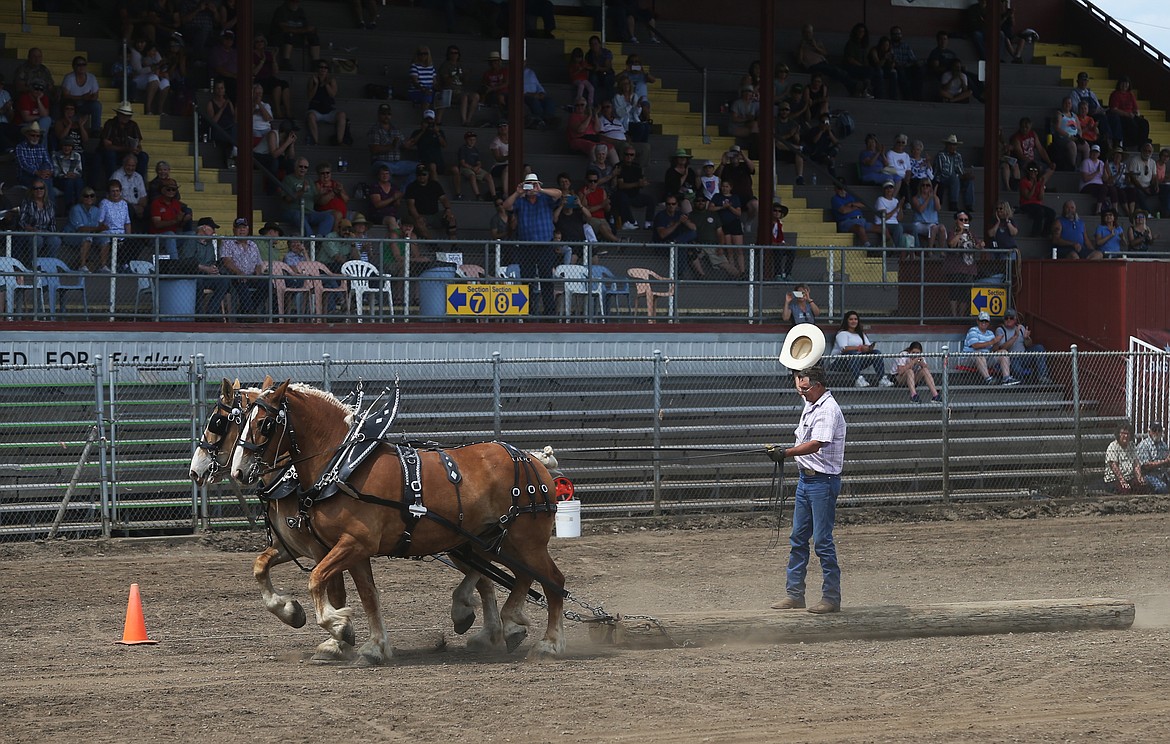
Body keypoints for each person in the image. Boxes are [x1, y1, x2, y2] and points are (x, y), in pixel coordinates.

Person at [766, 364, 846, 615]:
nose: (801, 392)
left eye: (805, 388)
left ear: (819, 386)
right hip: (807, 481)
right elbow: (799, 380)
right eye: (799, 387)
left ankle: (831, 598)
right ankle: (795, 594)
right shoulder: (811, 402)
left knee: (822, 541)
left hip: (822, 481)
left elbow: (817, 444)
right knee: (798, 538)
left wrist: (786, 453)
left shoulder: (828, 410)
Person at [502, 173, 563, 317]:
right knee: (527, 280)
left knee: (546, 280)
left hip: (544, 245)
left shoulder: (546, 198)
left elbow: (559, 194)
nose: (531, 187)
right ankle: (526, 312)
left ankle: (549, 314)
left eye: (533, 183)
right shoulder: (521, 201)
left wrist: (540, 190)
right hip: (526, 247)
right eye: (528, 184)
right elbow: (506, 206)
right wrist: (517, 193)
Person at [220, 217, 266, 318]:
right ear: (234, 230)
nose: (242, 230)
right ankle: (248, 314)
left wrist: (258, 274)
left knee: (267, 284)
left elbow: (259, 263)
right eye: (239, 228)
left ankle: (248, 310)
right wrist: (239, 272)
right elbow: (227, 262)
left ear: (248, 229)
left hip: (252, 275)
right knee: (241, 283)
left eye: (244, 227)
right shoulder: (228, 243)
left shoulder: (253, 244)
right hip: (235, 276)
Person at [832, 310, 892, 387]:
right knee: (853, 353)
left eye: (855, 319)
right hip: (839, 363)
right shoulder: (842, 334)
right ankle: (858, 379)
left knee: (876, 353)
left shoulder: (861, 334)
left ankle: (882, 379)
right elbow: (844, 349)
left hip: (857, 362)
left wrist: (869, 348)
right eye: (851, 319)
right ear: (846, 321)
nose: (853, 321)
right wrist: (860, 348)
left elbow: (867, 346)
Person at [367, 104, 418, 187]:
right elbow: (374, 149)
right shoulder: (374, 130)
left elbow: (402, 146)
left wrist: (406, 146)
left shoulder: (396, 130)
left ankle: (402, 191)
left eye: (389, 114)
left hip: (396, 163)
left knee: (419, 167)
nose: (386, 116)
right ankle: (392, 193)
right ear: (379, 115)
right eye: (384, 114)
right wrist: (391, 146)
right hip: (380, 162)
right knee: (385, 169)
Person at [994, 308, 1050, 383]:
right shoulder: (1000, 330)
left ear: (1015, 319)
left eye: (1011, 318)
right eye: (1006, 318)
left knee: (1039, 348)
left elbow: (1029, 345)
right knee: (1019, 373)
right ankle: (1022, 385)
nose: (1008, 320)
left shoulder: (1021, 328)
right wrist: (1015, 336)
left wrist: (1026, 338)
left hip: (1024, 356)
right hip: (1012, 358)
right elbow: (1002, 348)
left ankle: (1043, 377)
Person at [281, 157, 334, 236]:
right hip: (293, 212)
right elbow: (287, 199)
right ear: (295, 167)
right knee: (298, 215)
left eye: (305, 167)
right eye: (300, 166)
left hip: (309, 213)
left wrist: (320, 194)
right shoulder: (288, 179)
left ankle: (320, 239)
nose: (303, 169)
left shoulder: (309, 181)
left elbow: (315, 200)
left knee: (329, 216)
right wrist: (301, 191)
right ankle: (311, 240)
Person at [962, 310, 1017, 385]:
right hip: (969, 358)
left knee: (1003, 352)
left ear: (989, 323)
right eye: (982, 321)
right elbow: (975, 345)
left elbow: (994, 350)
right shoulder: (973, 330)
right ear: (978, 321)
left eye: (986, 321)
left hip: (986, 358)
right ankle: (988, 379)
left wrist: (997, 343)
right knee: (979, 353)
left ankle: (1006, 378)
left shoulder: (990, 333)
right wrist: (992, 342)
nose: (984, 323)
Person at [404, 164, 456, 241]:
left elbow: (443, 198)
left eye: (424, 174)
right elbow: (411, 205)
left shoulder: (435, 185)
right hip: (421, 215)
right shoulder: (411, 187)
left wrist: (448, 209)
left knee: (451, 217)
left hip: (435, 215)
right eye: (419, 174)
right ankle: (433, 244)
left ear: (428, 174)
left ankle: (454, 244)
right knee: (418, 221)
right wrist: (417, 216)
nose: (421, 176)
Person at [944, 210, 982, 317]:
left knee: (965, 295)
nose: (964, 222)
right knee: (954, 293)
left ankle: (961, 316)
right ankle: (954, 316)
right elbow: (951, 244)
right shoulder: (952, 232)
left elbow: (978, 245)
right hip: (954, 268)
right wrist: (961, 232)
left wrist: (981, 245)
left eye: (966, 220)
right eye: (961, 220)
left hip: (968, 268)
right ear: (957, 221)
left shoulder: (971, 234)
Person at [100, 101, 149, 180]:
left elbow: (139, 144)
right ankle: (112, 182)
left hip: (129, 153)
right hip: (115, 153)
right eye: (124, 115)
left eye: (128, 115)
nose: (126, 117)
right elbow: (107, 145)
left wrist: (137, 149)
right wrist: (126, 148)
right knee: (110, 154)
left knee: (143, 156)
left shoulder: (133, 125)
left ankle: (139, 181)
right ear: (118, 114)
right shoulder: (110, 124)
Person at [305, 60, 349, 146]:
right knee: (310, 116)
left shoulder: (331, 80)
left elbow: (332, 94)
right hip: (315, 110)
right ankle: (316, 141)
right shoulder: (313, 79)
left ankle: (339, 141)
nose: (323, 69)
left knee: (342, 115)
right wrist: (317, 84)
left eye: (325, 68)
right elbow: (310, 96)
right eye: (321, 67)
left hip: (329, 110)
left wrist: (326, 84)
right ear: (318, 69)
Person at [612, 145, 655, 232]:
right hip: (622, 196)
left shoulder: (637, 167)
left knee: (651, 199)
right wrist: (637, 184)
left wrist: (643, 183)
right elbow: (621, 185)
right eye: (627, 154)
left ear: (634, 156)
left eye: (631, 155)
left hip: (635, 195)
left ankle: (648, 223)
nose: (629, 156)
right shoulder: (619, 166)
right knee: (622, 197)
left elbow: (641, 181)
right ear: (623, 155)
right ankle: (630, 222)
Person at [270, 0, 321, 72]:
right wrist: (303, 30)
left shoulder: (300, 11)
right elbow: (284, 28)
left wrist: (310, 30)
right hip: (280, 37)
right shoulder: (281, 10)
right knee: (288, 35)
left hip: (297, 36)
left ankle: (316, 64)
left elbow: (305, 26)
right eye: (293, 1)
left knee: (313, 37)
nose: (295, 3)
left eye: (297, 2)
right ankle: (285, 62)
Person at [68, 187, 109, 272]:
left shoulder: (97, 210)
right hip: (72, 235)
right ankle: (82, 266)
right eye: (86, 196)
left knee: (105, 237)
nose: (89, 198)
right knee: (87, 236)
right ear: (82, 198)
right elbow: (80, 228)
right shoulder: (76, 209)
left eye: (92, 196)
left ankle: (103, 266)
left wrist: (103, 228)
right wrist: (98, 228)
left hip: (91, 235)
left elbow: (98, 228)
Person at [59, 56, 101, 137]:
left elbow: (96, 95)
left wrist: (90, 98)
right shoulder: (69, 78)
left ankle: (95, 131)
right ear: (73, 66)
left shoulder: (92, 78)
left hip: (85, 104)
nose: (82, 67)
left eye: (84, 64)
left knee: (97, 105)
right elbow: (65, 95)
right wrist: (81, 97)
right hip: (71, 104)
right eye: (79, 65)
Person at [438, 45, 479, 127]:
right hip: (450, 92)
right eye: (452, 53)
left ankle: (468, 120)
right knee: (464, 97)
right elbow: (446, 81)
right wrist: (455, 74)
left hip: (460, 90)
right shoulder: (445, 65)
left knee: (476, 96)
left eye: (456, 53)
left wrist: (466, 75)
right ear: (448, 54)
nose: (454, 55)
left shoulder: (460, 65)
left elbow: (464, 82)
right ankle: (463, 121)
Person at [1103, 424, 1149, 494]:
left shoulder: (1132, 445)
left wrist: (1139, 477)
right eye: (1123, 433)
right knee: (1125, 490)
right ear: (1118, 434)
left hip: (1130, 477)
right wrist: (1122, 481)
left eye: (1128, 434)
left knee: (1143, 486)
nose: (1126, 436)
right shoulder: (1113, 446)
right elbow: (1114, 466)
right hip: (1114, 479)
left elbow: (1136, 463)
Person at [934, 134, 974, 212]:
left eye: (954, 145)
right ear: (947, 145)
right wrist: (959, 176)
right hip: (942, 179)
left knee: (969, 180)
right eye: (951, 144)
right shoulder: (941, 155)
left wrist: (965, 175)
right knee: (955, 177)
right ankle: (953, 203)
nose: (953, 147)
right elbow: (943, 171)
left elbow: (960, 169)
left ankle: (969, 205)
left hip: (955, 179)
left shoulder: (958, 155)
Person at [406, 109, 448, 181]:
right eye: (427, 120)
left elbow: (444, 145)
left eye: (431, 120)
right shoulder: (417, 132)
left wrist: (437, 133)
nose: (429, 122)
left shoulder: (439, 132)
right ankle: (436, 189)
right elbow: (409, 144)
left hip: (438, 161)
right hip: (424, 162)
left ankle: (458, 192)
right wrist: (422, 131)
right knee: (432, 166)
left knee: (455, 169)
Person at [454, 130, 496, 202]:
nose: (472, 141)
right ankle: (478, 195)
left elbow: (479, 162)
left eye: (474, 140)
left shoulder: (475, 149)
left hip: (475, 168)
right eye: (470, 140)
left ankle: (494, 196)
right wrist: (472, 168)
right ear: (466, 140)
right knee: (472, 176)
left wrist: (477, 167)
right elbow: (462, 163)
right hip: (466, 168)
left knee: (488, 176)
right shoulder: (463, 149)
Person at [1108, 76, 1149, 148]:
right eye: (1123, 84)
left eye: (1126, 84)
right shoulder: (1115, 94)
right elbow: (1114, 109)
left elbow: (1135, 108)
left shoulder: (1130, 94)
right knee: (1131, 124)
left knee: (1144, 123)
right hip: (1121, 116)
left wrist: (1136, 113)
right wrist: (1127, 114)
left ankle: (1142, 143)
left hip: (1131, 115)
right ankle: (1132, 143)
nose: (1124, 86)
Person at [1018, 163, 1055, 238]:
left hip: (1037, 204)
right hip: (1026, 204)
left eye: (1036, 171)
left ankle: (1045, 233)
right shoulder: (1023, 182)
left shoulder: (1039, 183)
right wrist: (1034, 185)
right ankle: (1035, 233)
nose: (1033, 172)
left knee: (1052, 213)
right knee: (1039, 212)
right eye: (1031, 170)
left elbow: (1040, 198)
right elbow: (1028, 196)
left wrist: (1042, 185)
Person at [888, 26, 923, 101]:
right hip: (896, 67)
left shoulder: (905, 46)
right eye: (895, 34)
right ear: (891, 35)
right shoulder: (889, 46)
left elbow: (913, 59)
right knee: (900, 71)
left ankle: (918, 97)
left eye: (899, 33)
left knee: (919, 69)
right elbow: (892, 60)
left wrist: (914, 63)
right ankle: (907, 97)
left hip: (907, 67)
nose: (897, 35)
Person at [908, 179, 946, 250]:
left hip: (932, 223)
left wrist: (934, 196)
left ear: (930, 187)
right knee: (933, 228)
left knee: (942, 228)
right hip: (919, 224)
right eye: (923, 185)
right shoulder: (916, 198)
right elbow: (920, 210)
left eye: (927, 185)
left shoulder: (935, 198)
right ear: (920, 187)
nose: (925, 187)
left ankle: (942, 251)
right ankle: (930, 250)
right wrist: (928, 198)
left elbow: (938, 209)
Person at [831, 183, 872, 247]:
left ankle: (889, 250)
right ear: (835, 189)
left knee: (881, 228)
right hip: (846, 222)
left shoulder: (851, 196)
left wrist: (851, 204)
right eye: (840, 188)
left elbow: (864, 204)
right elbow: (844, 210)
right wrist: (856, 206)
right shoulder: (835, 199)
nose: (842, 190)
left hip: (861, 220)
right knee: (860, 228)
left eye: (843, 187)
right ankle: (869, 248)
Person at [1053, 96, 1088, 170]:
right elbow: (1057, 128)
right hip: (1063, 138)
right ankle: (1073, 166)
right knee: (1072, 145)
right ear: (1062, 104)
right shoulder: (1059, 114)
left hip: (1075, 137)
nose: (1067, 105)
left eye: (1069, 103)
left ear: (1071, 105)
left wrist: (1079, 137)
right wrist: (1069, 136)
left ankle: (1085, 167)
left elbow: (1079, 129)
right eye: (1066, 103)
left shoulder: (1074, 115)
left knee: (1085, 146)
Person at [1125, 142, 1159, 216]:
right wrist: (1143, 189)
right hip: (1138, 186)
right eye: (1145, 150)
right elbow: (1132, 177)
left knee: (1164, 190)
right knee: (1138, 193)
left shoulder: (1152, 162)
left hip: (1148, 185)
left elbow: (1154, 176)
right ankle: (1148, 212)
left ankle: (1164, 212)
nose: (1147, 153)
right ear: (1141, 150)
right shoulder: (1135, 160)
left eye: (1149, 151)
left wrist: (1156, 186)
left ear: (1152, 152)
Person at [1135, 423, 1170, 494]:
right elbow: (1146, 466)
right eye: (1154, 430)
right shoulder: (1144, 445)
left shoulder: (1163, 445)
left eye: (1159, 430)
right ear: (1149, 432)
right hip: (1148, 474)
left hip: (1163, 473)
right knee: (1162, 488)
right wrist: (1164, 462)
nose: (1157, 432)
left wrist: (1167, 462)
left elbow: (1167, 462)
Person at [1080, 144, 1113, 215]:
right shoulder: (1086, 162)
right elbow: (1085, 178)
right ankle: (1098, 210)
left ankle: (1114, 210)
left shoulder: (1101, 163)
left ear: (1099, 154)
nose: (1094, 154)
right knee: (1103, 188)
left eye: (1096, 152)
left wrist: (1104, 169)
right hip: (1087, 185)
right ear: (1090, 152)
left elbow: (1106, 179)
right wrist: (1096, 172)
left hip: (1099, 185)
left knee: (1112, 189)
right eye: (1093, 152)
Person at [872, 180, 904, 248]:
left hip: (895, 223)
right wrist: (896, 208)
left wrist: (900, 207)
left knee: (913, 227)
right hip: (883, 223)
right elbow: (885, 217)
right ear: (884, 190)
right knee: (899, 227)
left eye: (891, 188)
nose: (889, 190)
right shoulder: (880, 200)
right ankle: (897, 250)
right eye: (887, 188)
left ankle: (916, 251)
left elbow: (900, 218)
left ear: (893, 189)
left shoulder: (896, 200)